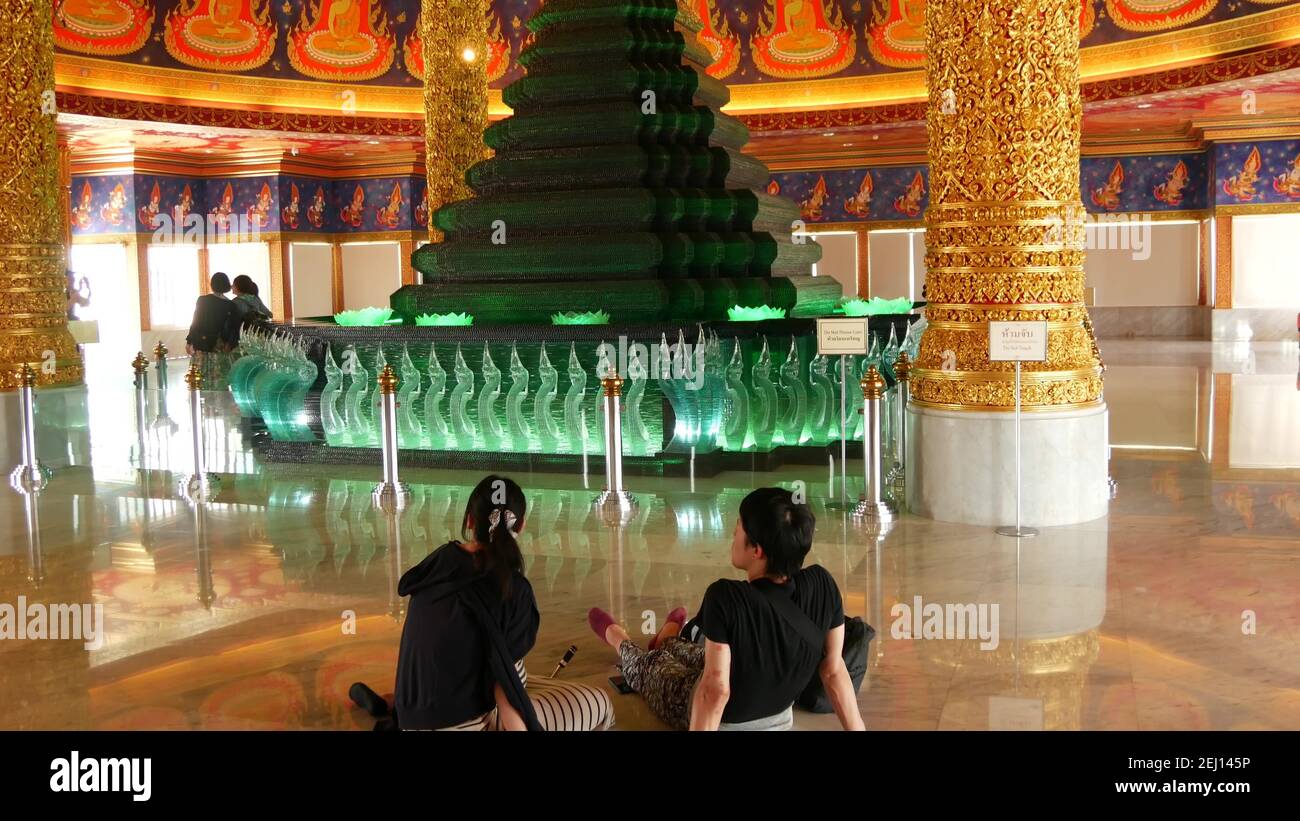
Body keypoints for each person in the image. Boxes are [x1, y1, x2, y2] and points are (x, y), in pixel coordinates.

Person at [588, 487, 866, 731]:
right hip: (778, 716)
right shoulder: (823, 584)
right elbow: (833, 670)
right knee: (692, 653)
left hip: (725, 721)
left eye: (738, 529)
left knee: (649, 666)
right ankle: (668, 639)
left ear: (756, 550)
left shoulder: (726, 596)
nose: (733, 534)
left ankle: (618, 638)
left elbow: (715, 691)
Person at [389, 475, 613, 731]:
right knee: (599, 702)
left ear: (470, 520)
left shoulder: (437, 564)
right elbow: (504, 690)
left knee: (526, 679)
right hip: (470, 723)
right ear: (521, 526)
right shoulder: (513, 589)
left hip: (410, 719)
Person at [186, 272, 238, 386]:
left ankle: (202, 401)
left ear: (212, 284)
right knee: (219, 379)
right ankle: (218, 402)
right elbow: (234, 327)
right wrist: (229, 343)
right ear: (227, 285)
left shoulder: (203, 300)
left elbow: (196, 321)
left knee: (200, 378)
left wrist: (189, 341)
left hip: (202, 343)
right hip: (220, 345)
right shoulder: (231, 305)